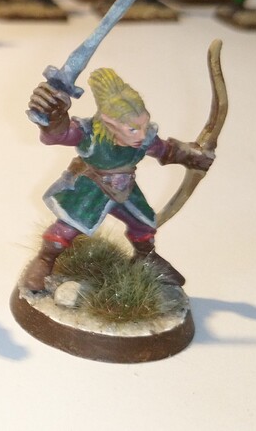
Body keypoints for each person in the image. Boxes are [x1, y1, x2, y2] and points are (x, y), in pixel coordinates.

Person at [21, 68, 213, 291]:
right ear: (109, 122)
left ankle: (145, 257)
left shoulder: (143, 139)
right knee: (68, 227)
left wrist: (192, 156)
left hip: (125, 189)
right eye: (132, 129)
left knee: (144, 223)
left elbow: (166, 150)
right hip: (91, 189)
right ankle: (45, 261)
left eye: (144, 124)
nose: (142, 135)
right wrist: (54, 118)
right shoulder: (89, 135)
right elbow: (57, 135)